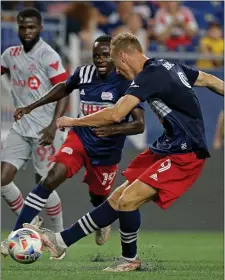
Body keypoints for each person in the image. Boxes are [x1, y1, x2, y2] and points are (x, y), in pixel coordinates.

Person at [22, 32, 224, 272]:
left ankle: (130, 260)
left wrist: (73, 121)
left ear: (124, 56)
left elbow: (116, 115)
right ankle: (60, 241)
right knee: (117, 199)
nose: (118, 71)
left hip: (185, 152)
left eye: (117, 65)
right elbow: (210, 80)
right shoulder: (168, 66)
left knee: (128, 201)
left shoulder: (148, 76)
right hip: (168, 146)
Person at [3, 34, 145, 257]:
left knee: (98, 198)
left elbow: (139, 125)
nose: (99, 60)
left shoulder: (126, 81)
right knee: (50, 178)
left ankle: (101, 221)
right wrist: (31, 106)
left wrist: (112, 129)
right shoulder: (84, 73)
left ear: (116, 56)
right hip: (79, 139)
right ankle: (15, 234)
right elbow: (63, 88)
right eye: (96, 55)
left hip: (106, 153)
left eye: (105, 56)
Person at [1, 7, 69, 258]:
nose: (27, 31)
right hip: (21, 127)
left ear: (40, 28)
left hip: (44, 130)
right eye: (22, 27)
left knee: (44, 184)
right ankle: (30, 221)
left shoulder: (48, 55)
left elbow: (64, 89)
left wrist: (54, 125)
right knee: (2, 178)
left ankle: (59, 238)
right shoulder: (9, 55)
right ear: (17, 27)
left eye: (32, 27)